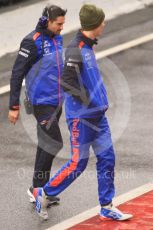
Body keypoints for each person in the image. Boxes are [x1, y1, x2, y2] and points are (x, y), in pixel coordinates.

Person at [32, 4, 133, 221]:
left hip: (98, 116)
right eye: (101, 21)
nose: (104, 24)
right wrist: (88, 100)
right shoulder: (77, 48)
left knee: (107, 158)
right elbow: (67, 80)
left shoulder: (87, 46)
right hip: (81, 118)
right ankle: (44, 192)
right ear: (94, 25)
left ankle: (106, 205)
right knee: (79, 163)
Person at [8, 4, 67, 205]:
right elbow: (17, 73)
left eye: (62, 24)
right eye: (58, 24)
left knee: (45, 143)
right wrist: (13, 106)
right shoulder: (31, 41)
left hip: (57, 100)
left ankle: (40, 188)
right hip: (42, 102)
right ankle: (38, 189)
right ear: (47, 21)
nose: (61, 28)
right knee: (54, 142)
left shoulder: (57, 38)